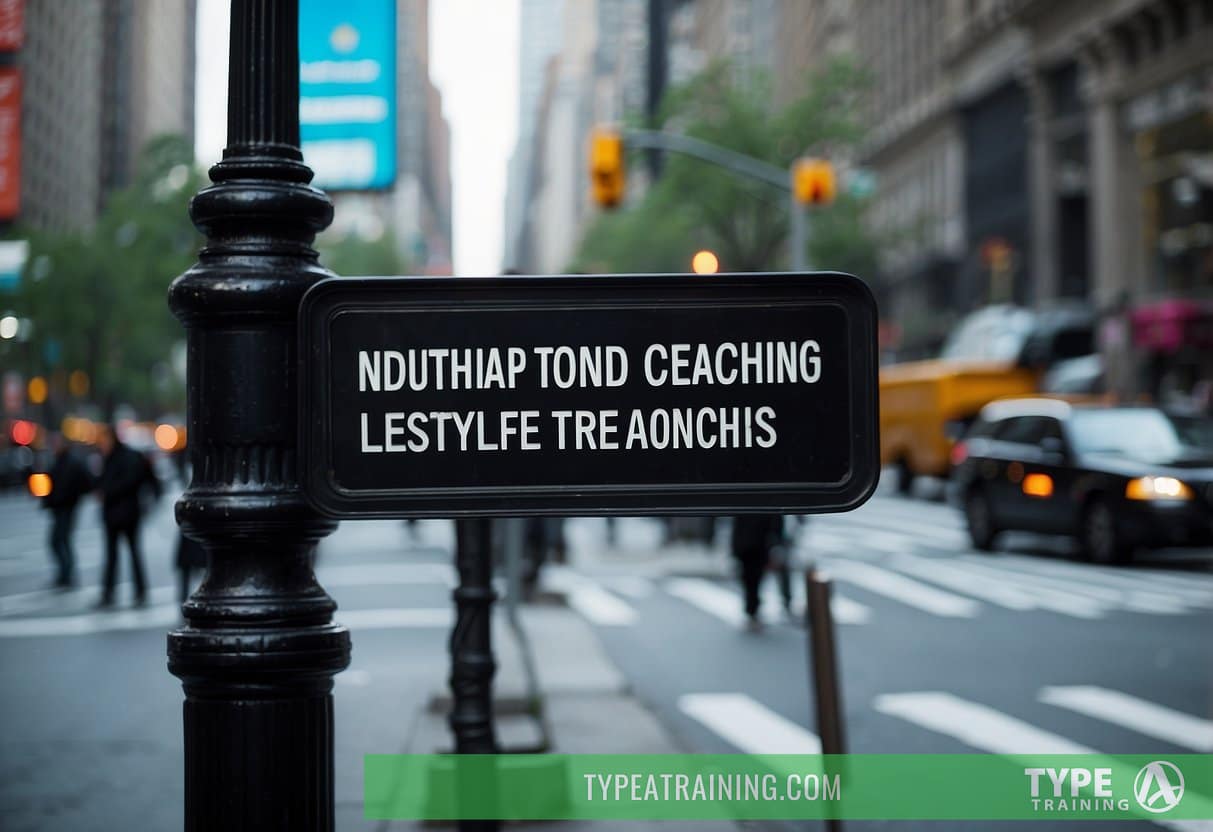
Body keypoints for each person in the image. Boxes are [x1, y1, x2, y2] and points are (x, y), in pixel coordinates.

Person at [95, 425, 162, 607]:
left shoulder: (126, 457)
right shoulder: (112, 457)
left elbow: (132, 481)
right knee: (117, 555)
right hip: (119, 513)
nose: (102, 445)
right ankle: (118, 592)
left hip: (126, 512)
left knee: (128, 553)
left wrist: (107, 492)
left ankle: (133, 592)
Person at [39, 433, 94, 588]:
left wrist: (72, 497)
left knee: (61, 540)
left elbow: (86, 482)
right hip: (59, 507)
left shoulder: (72, 462)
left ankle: (67, 574)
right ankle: (65, 574)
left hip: (67, 507)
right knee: (59, 540)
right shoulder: (57, 461)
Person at [730, 514, 787, 631]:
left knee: (753, 580)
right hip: (753, 546)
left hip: (756, 546)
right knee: (751, 581)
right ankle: (752, 613)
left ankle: (753, 613)